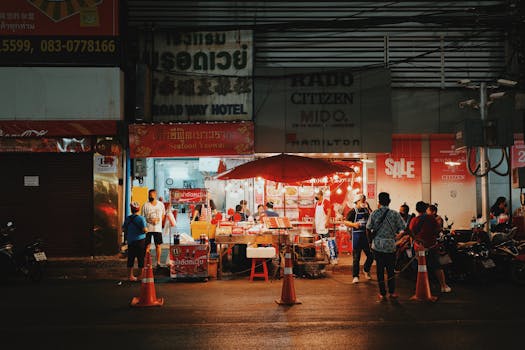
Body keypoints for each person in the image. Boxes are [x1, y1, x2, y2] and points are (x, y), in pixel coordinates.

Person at [366, 192, 406, 301]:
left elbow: (368, 229)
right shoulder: (394, 214)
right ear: (389, 201)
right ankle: (392, 292)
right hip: (390, 246)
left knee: (380, 270)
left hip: (377, 246)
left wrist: (370, 242)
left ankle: (382, 293)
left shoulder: (374, 213)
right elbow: (403, 228)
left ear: (379, 202)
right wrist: (399, 235)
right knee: (390, 270)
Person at [409, 201, 452, 293]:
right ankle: (443, 286)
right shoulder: (431, 219)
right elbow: (438, 230)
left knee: (419, 268)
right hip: (431, 246)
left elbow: (411, 233)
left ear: (416, 209)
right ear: (426, 209)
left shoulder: (414, 220)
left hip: (418, 247)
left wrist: (418, 241)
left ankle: (421, 287)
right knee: (436, 266)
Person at [344, 194, 373, 284]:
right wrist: (353, 225)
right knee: (356, 258)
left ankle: (366, 269)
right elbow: (345, 221)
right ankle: (355, 276)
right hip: (357, 237)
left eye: (364, 201)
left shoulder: (366, 211)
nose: (364, 202)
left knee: (371, 256)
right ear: (357, 202)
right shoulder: (353, 211)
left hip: (366, 236)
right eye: (362, 201)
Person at [122, 201, 147, 281]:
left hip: (131, 241)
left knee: (131, 258)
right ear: (138, 209)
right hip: (140, 241)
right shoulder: (141, 218)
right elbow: (144, 230)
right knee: (140, 258)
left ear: (131, 209)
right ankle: (140, 276)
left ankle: (130, 276)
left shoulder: (127, 218)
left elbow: (123, 229)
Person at [142, 189, 166, 268]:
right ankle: (147, 263)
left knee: (158, 245)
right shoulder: (145, 205)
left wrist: (158, 221)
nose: (150, 196)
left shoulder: (161, 205)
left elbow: (163, 215)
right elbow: (142, 217)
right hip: (148, 229)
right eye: (149, 195)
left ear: (155, 195)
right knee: (147, 246)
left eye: (152, 195)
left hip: (157, 229)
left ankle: (158, 262)